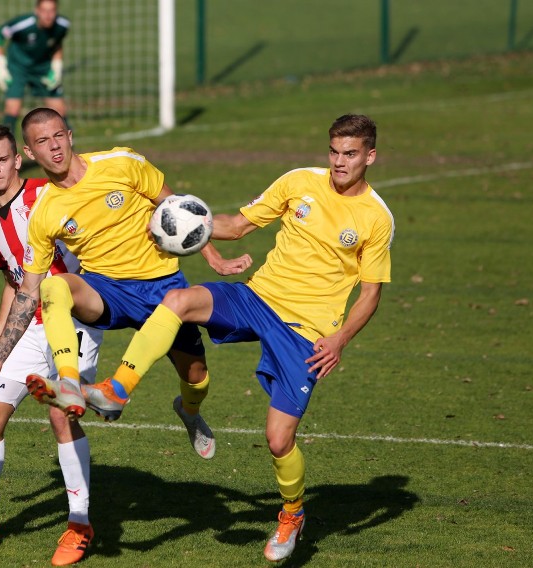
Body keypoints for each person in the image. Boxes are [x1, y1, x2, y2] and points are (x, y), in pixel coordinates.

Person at [89, 114, 394, 562]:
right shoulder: (297, 182)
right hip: (259, 297)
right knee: (178, 300)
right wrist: (183, 221)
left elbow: (370, 294)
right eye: (334, 152)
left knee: (277, 440)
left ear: (370, 156)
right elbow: (236, 226)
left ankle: (292, 514)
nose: (339, 162)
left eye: (350, 154)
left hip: (307, 331)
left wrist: (340, 339)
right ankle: (117, 388)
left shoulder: (376, 218)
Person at [0, 107, 252, 461]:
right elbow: (25, 290)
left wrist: (215, 259)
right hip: (107, 289)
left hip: (162, 286)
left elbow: (176, 209)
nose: (54, 147)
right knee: (53, 287)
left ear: (70, 136)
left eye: (59, 136)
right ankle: (71, 384)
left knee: (197, 377)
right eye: (42, 141)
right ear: (29, 153)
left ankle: (190, 411)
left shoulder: (121, 163)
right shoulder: (45, 213)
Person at [0, 124, 102, 566]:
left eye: (1, 160)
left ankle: (80, 523)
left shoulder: (46, 198)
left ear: (17, 160)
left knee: (60, 413)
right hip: (29, 326)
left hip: (73, 319)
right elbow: (15, 287)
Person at [0, 0, 70, 135]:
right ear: (37, 11)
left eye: (52, 11)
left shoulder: (62, 25)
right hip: (18, 67)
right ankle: (7, 148)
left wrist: (56, 66)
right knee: (12, 108)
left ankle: (70, 150)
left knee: (59, 109)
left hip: (43, 68)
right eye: (44, 11)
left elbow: (57, 43)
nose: (48, 15)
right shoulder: (23, 24)